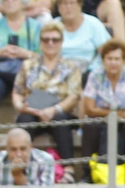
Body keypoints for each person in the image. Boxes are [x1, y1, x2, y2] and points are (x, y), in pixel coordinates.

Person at [13, 22, 83, 174]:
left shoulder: (71, 67)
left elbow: (74, 95)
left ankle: (68, 168)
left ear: (61, 42)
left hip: (60, 112)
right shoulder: (28, 65)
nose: (50, 43)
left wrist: (54, 109)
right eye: (46, 39)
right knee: (24, 119)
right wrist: (20, 106)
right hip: (33, 112)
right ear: (41, 42)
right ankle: (21, 167)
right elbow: (17, 91)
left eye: (55, 39)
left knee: (61, 118)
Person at [78, 39, 125, 164]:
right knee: (90, 126)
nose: (113, 63)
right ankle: (87, 171)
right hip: (102, 119)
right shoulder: (95, 76)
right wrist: (111, 116)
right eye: (109, 59)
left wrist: (114, 116)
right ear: (103, 60)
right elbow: (89, 108)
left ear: (124, 60)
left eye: (117, 59)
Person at [54, 0, 109, 72]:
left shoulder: (93, 24)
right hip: (59, 71)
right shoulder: (53, 25)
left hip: (90, 71)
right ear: (59, 7)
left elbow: (106, 51)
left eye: (72, 3)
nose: (68, 7)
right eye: (64, 3)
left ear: (80, 5)